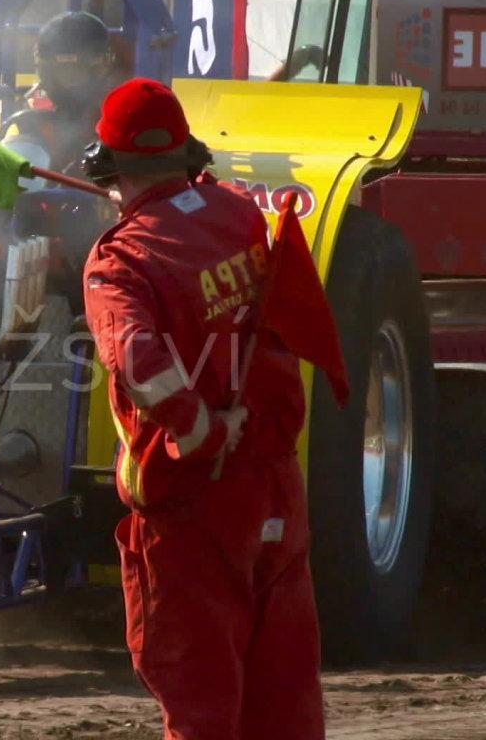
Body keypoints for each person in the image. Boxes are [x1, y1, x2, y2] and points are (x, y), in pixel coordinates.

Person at [80, 77, 325, 739]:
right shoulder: (240, 211)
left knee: (202, 712)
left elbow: (136, 362)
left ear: (111, 171)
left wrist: (199, 429)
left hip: (194, 508)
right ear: (188, 155)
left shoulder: (118, 262)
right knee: (286, 707)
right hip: (277, 493)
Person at [4, 10, 131, 172]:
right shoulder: (28, 122)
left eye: (75, 72)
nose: (68, 81)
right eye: (62, 72)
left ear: (100, 69)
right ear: (46, 72)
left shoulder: (121, 119)